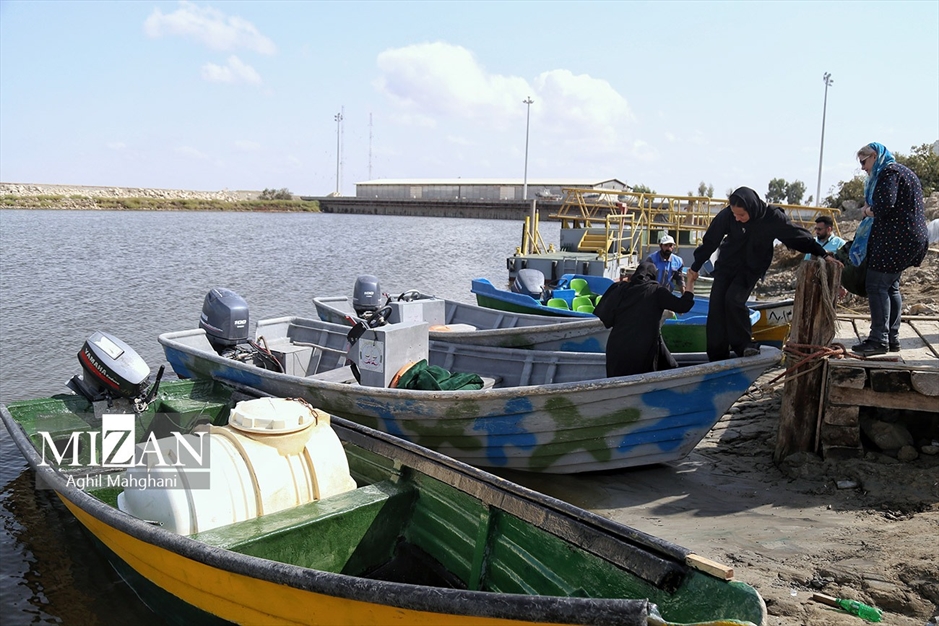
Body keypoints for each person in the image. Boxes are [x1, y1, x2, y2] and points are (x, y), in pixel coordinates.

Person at [685, 187, 842, 362]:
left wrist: (823, 253)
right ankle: (716, 356)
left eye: (741, 215)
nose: (737, 218)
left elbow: (795, 235)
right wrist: (696, 266)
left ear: (751, 209)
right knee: (716, 306)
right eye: (735, 215)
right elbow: (710, 241)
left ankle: (744, 346)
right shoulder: (728, 215)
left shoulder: (771, 217)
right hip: (726, 266)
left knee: (733, 300)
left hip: (751, 268)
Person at [851, 142, 928, 356]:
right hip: (910, 238)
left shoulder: (889, 172)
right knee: (891, 286)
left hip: (896, 240)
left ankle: (878, 339)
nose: (863, 168)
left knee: (876, 285)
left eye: (864, 162)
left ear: (875, 156)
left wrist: (867, 211)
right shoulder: (903, 171)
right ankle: (892, 338)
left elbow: (885, 205)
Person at [594, 261, 695, 377]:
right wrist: (690, 281)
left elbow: (606, 318)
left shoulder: (620, 289)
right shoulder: (657, 292)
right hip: (642, 352)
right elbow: (684, 305)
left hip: (616, 350)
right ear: (653, 276)